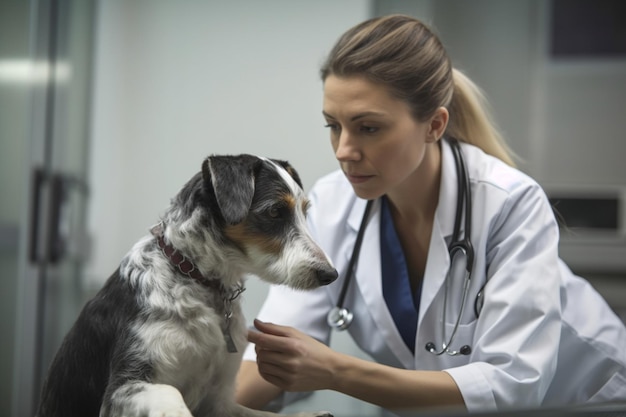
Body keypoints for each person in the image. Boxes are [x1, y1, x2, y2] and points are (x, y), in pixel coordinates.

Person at [235, 14, 626, 415]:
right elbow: (274, 356)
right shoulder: (331, 204)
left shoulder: (510, 203)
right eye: (333, 126)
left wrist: (336, 371)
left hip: (587, 401)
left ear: (434, 125)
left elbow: (512, 382)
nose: (343, 150)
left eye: (368, 128)